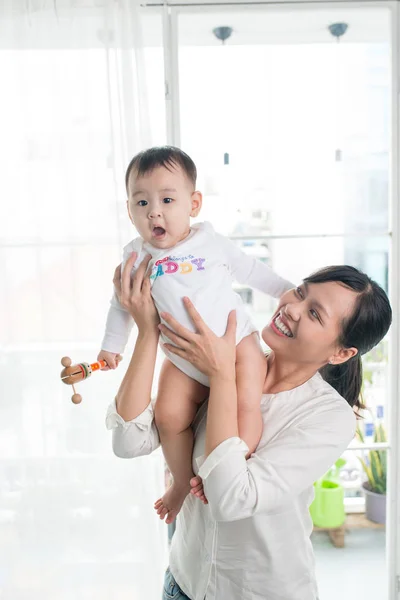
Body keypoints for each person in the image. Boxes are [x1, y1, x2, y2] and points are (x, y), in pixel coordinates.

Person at [106, 255, 391, 600]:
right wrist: (148, 331)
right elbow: (128, 442)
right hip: (183, 583)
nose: (293, 309)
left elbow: (230, 500)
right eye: (300, 293)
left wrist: (222, 375)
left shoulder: (328, 417)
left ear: (341, 353)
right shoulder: (227, 354)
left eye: (315, 313)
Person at [98, 146, 292, 523]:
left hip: (236, 346)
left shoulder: (212, 243)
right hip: (181, 357)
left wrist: (286, 293)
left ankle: (233, 465)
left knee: (246, 404)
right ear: (129, 211)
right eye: (142, 202)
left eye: (167, 199)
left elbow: (252, 271)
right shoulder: (135, 259)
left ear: (194, 203)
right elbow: (121, 305)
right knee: (169, 415)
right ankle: (181, 482)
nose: (154, 211)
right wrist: (110, 347)